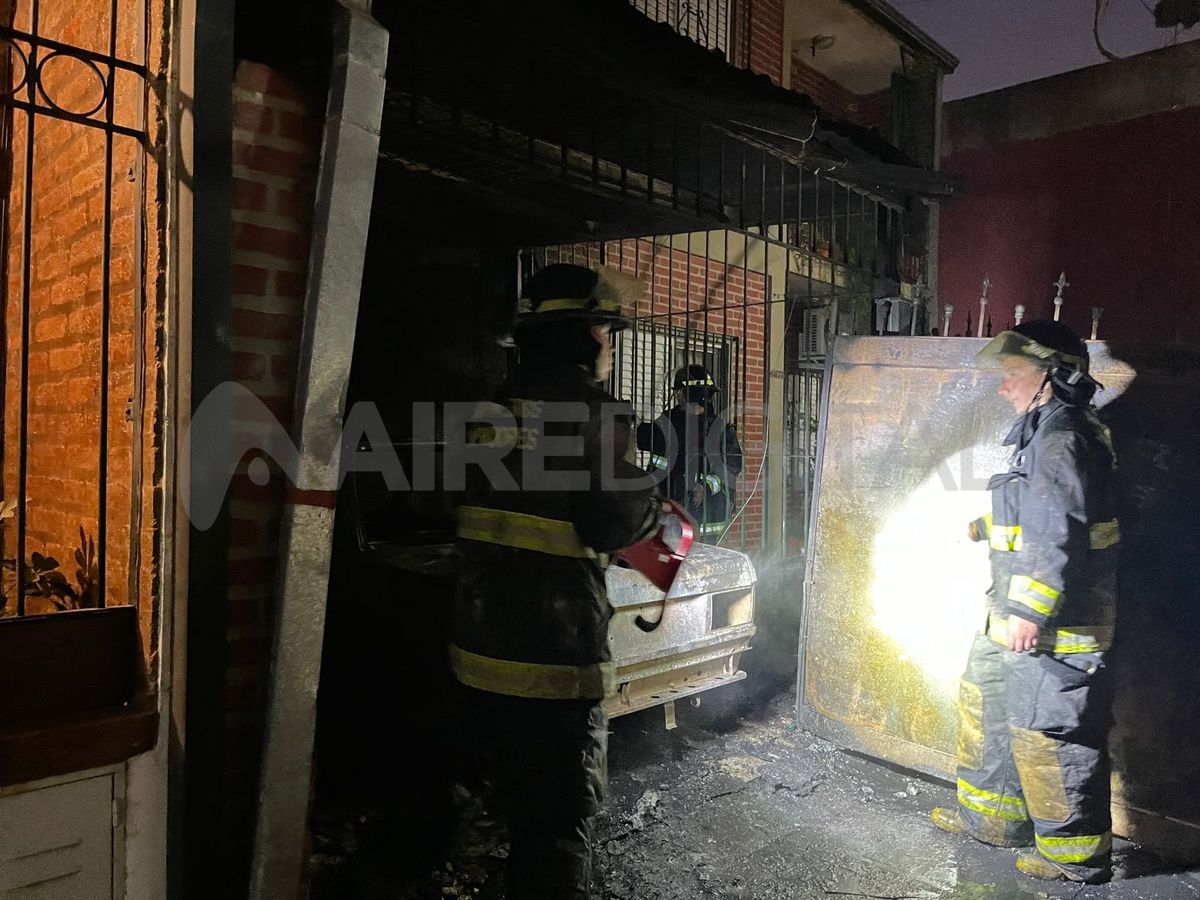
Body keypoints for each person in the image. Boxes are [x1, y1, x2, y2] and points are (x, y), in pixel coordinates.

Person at [451, 263, 662, 899]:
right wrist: (651, 499)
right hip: (554, 661)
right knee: (552, 832)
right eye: (603, 327)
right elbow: (611, 524)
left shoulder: (486, 411)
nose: (608, 341)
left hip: (475, 650)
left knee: (449, 803)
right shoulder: (595, 417)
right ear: (578, 333)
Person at [930, 320, 1120, 884]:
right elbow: (1037, 512)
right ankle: (993, 819)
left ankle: (1074, 857)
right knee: (986, 702)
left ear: (1051, 378)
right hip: (1011, 610)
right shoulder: (1043, 433)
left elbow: (1056, 532)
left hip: (1056, 621)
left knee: (1050, 729)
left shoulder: (1063, 438)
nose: (1002, 385)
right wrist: (986, 526)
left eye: (1014, 373)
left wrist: (1031, 613)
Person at [636, 363, 743, 539]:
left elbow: (732, 466)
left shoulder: (719, 428)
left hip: (707, 513)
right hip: (672, 509)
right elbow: (644, 439)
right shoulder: (666, 422)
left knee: (702, 562)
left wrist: (705, 487)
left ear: (680, 393)